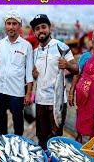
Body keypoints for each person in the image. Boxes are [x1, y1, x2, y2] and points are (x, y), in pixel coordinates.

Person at [30, 14, 78, 149]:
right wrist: (33, 75)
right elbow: (35, 76)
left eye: (43, 27)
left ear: (49, 28)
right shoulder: (34, 52)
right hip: (40, 101)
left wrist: (67, 65)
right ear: (34, 32)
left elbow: (76, 69)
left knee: (56, 137)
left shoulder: (61, 46)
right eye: (37, 28)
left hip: (56, 102)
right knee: (41, 136)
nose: (41, 31)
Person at [0, 10, 34, 136]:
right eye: (8, 23)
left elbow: (29, 72)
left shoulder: (27, 46)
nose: (11, 27)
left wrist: (28, 93)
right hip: (0, 90)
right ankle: (3, 144)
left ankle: (18, 144)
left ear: (19, 26)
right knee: (1, 121)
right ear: (5, 25)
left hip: (17, 92)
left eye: (14, 24)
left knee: (18, 123)